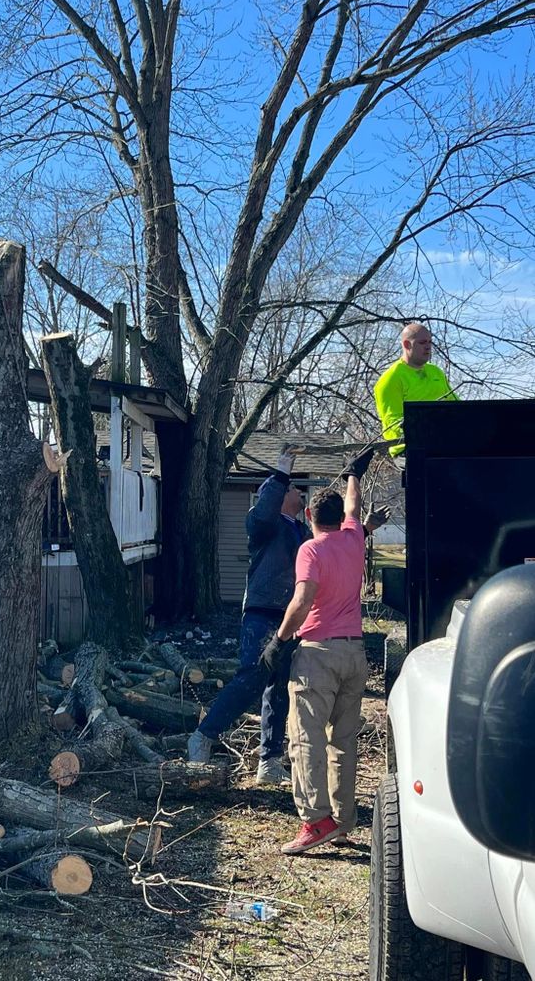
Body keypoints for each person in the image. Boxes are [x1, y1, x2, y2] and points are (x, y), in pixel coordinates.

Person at [264, 447, 375, 854]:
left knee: (305, 740)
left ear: (309, 515)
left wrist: (279, 640)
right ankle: (342, 821)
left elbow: (303, 600)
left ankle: (315, 821)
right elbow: (354, 506)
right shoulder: (354, 538)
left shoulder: (311, 549)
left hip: (318, 655)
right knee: (343, 741)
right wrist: (354, 474)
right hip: (355, 653)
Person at [187, 445, 308, 782]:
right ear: (280, 495)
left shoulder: (301, 530)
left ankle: (270, 761)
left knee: (278, 687)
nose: (300, 492)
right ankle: (204, 735)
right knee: (251, 677)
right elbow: (266, 509)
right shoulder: (264, 522)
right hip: (261, 612)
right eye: (294, 488)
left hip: (288, 617)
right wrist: (281, 471)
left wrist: (363, 529)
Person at [374, 323, 457, 456]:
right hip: (408, 451)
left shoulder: (436, 372)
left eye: (430, 342)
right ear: (407, 345)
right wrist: (426, 433)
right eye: (422, 342)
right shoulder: (391, 379)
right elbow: (393, 425)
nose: (428, 347)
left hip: (442, 446)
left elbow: (457, 407)